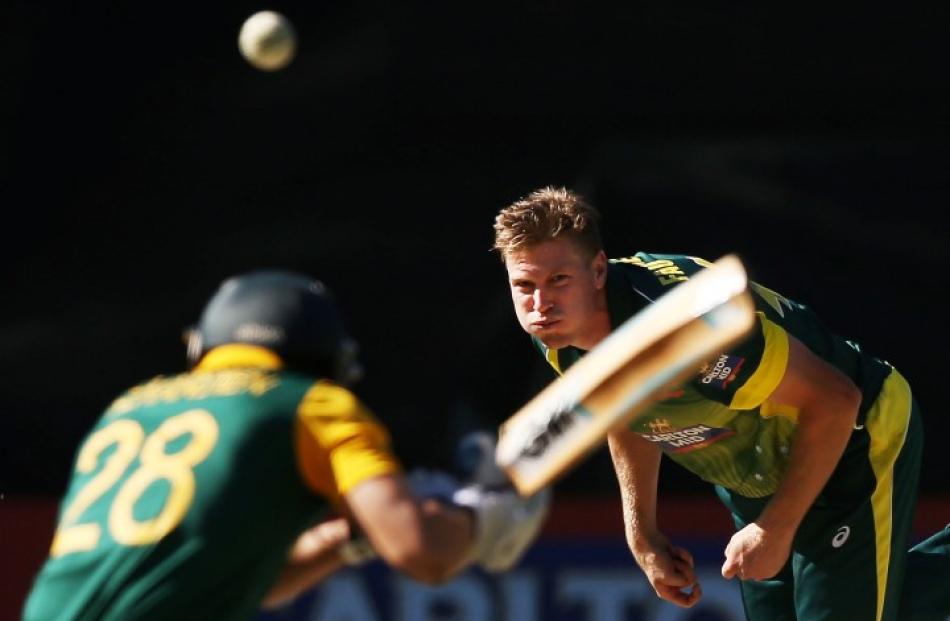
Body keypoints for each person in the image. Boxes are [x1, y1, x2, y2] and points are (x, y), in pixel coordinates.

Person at [492, 186, 949, 621]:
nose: (540, 303)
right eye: (524, 285)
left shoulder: (692, 330)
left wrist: (775, 529)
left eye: (558, 280)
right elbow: (627, 409)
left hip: (850, 443)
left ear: (597, 271)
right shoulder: (556, 336)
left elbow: (835, 400)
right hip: (758, 476)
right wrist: (642, 532)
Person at [22, 270, 549, 620]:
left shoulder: (132, 405)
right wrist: (482, 519)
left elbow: (240, 581)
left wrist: (350, 537)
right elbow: (423, 552)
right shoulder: (312, 404)